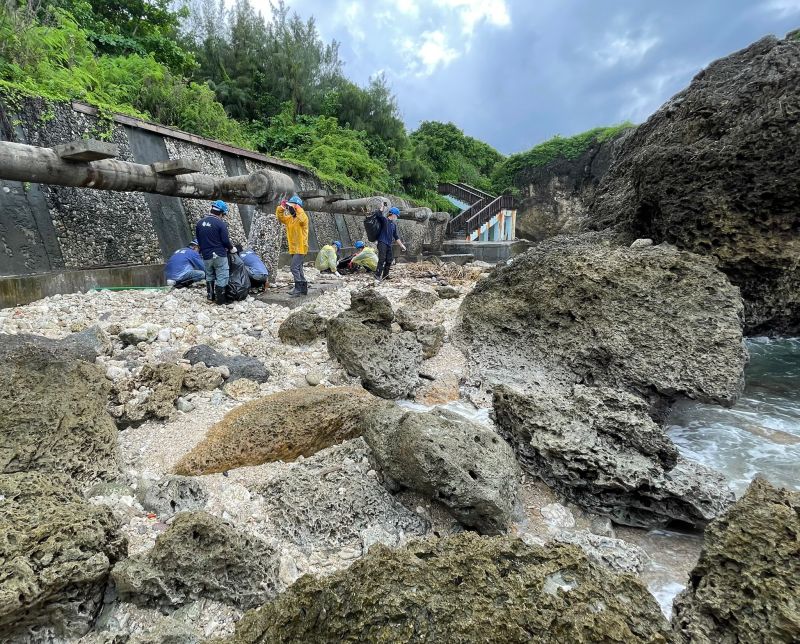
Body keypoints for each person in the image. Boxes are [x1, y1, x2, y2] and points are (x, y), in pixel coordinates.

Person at [196, 199, 234, 305]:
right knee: (222, 274)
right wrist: (232, 248)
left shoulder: (199, 223)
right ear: (221, 213)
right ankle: (221, 300)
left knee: (209, 275)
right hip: (219, 254)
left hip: (206, 255)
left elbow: (198, 240)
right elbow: (225, 241)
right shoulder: (220, 224)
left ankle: (210, 297)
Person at [276, 195, 309, 297]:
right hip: (294, 248)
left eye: (291, 207)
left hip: (301, 248)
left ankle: (298, 289)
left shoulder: (302, 218)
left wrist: (297, 207)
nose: (289, 209)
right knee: (299, 268)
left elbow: (302, 219)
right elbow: (280, 217)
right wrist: (282, 207)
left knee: (294, 267)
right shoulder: (289, 219)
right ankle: (303, 288)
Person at [374, 206, 407, 282]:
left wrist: (401, 245)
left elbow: (396, 236)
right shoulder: (384, 220)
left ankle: (385, 275)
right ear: (393, 214)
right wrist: (382, 207)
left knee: (389, 259)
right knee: (382, 259)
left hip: (388, 244)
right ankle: (377, 275)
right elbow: (378, 215)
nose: (397, 217)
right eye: (396, 215)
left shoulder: (393, 225)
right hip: (382, 242)